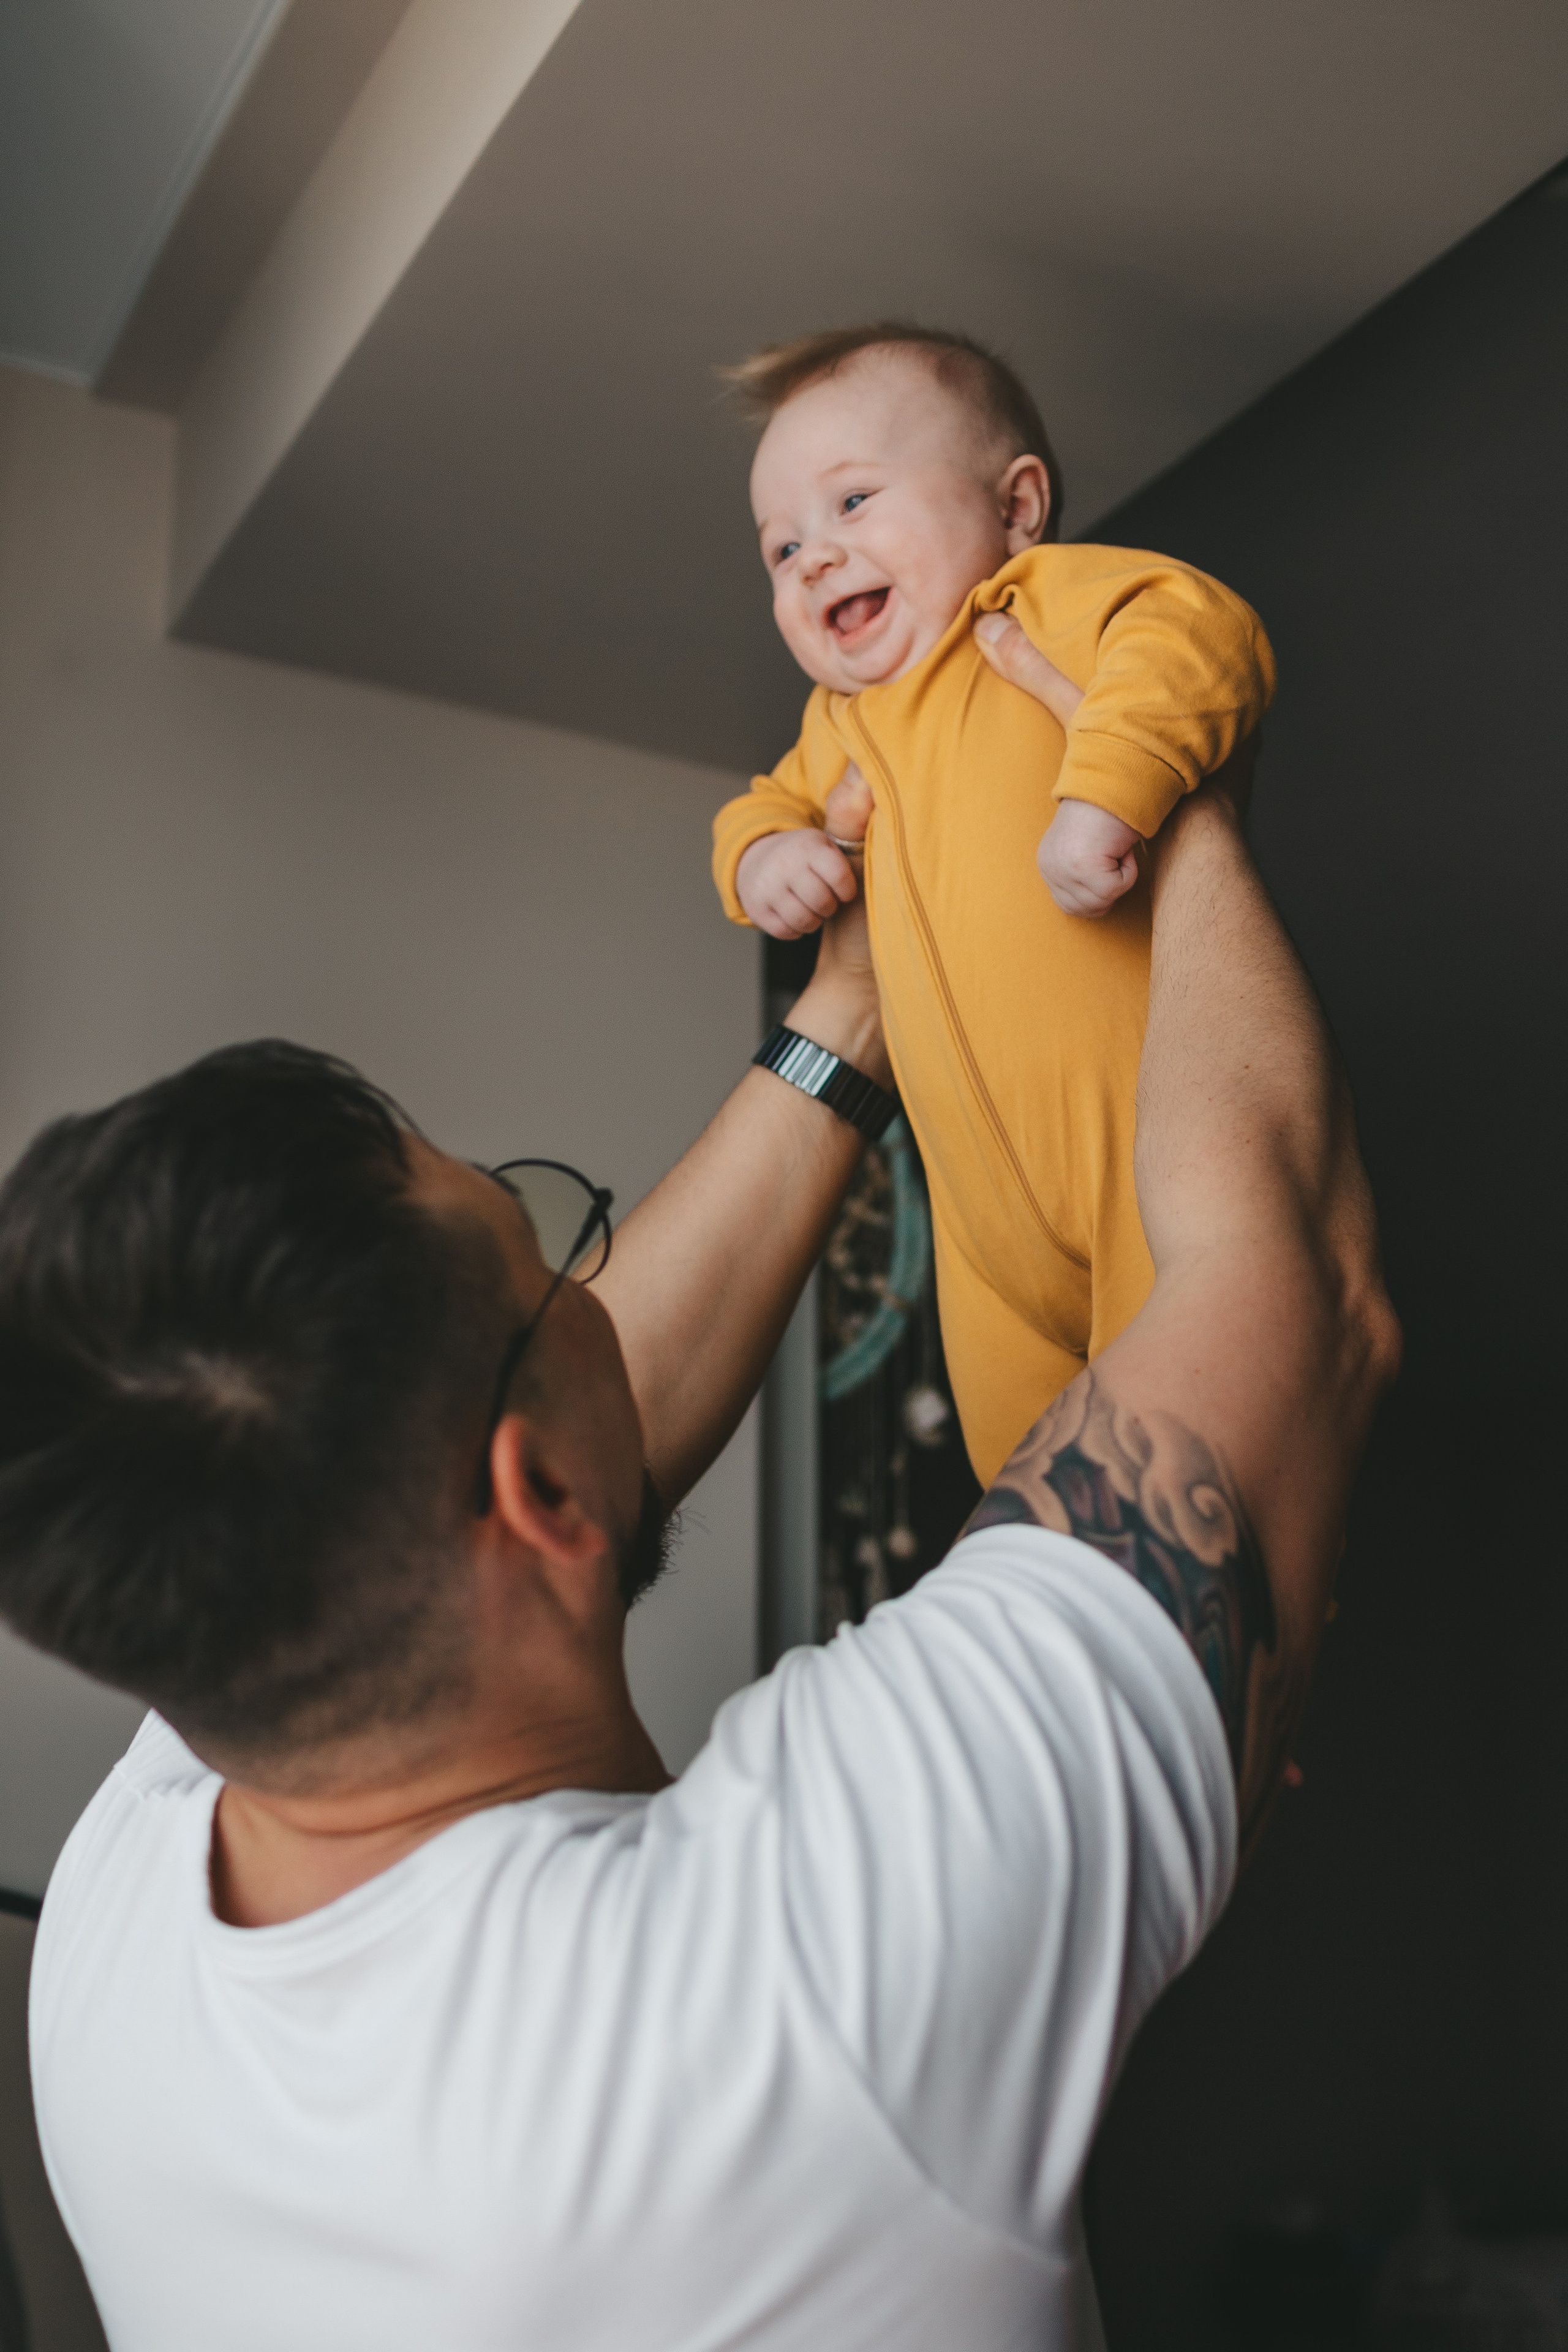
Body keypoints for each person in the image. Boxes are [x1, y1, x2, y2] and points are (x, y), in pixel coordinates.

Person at [1, 643, 1395, 2350]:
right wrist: (1164, 779)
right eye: (546, 1257)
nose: (594, 1287)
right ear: (538, 1497)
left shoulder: (131, 1887)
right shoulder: (798, 1987)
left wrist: (850, 1011)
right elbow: (1285, 1290)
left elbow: (558, 1440)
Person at [713, 322, 1277, 1482]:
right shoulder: (840, 728)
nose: (815, 556)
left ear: (1017, 508)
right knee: (1019, 1502)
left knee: (1198, 1452)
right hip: (978, 1236)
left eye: (855, 502)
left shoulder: (1029, 607)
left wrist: (1105, 795)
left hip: (1143, 1160)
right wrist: (770, 856)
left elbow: (1200, 632)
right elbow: (753, 810)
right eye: (780, 548)